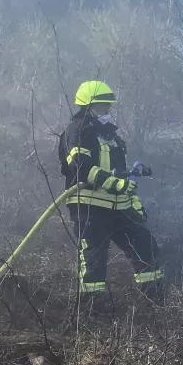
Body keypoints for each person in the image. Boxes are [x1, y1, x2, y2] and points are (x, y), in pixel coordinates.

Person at [58, 80, 163, 308]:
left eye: (108, 106)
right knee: (94, 260)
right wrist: (115, 183)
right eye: (101, 106)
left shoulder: (112, 137)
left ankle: (154, 306)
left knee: (145, 244)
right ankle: (91, 313)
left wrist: (133, 203)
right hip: (90, 207)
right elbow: (81, 167)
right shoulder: (77, 130)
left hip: (118, 207)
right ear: (88, 106)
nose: (106, 110)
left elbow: (123, 179)